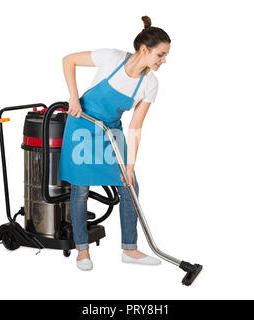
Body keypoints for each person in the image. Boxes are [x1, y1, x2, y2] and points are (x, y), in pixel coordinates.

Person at [58, 16, 171, 271]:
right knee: (81, 189)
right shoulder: (111, 58)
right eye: (161, 55)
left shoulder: (150, 83)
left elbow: (135, 126)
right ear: (145, 50)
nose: (164, 61)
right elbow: (69, 60)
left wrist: (130, 165)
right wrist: (73, 98)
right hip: (82, 124)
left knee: (130, 185)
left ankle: (130, 249)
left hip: (111, 130)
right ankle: (82, 252)